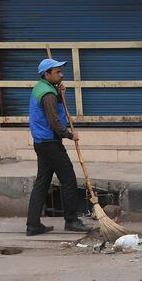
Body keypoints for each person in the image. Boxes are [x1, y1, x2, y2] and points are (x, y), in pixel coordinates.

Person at [25, 57, 90, 236]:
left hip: (42, 142)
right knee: (68, 179)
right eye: (57, 72)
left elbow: (55, 110)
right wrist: (70, 135)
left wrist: (61, 94)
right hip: (50, 143)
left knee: (42, 182)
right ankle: (71, 220)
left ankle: (33, 225)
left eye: (61, 71)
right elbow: (54, 121)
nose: (61, 74)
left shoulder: (43, 88)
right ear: (46, 74)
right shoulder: (48, 94)